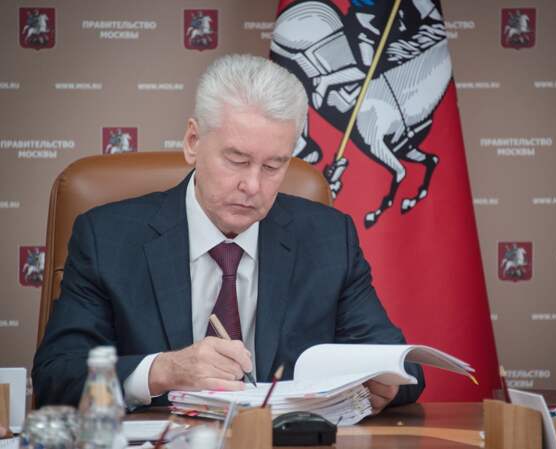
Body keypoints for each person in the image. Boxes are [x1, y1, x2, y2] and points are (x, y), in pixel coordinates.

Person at [33, 54, 424, 412]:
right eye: (237, 160)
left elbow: (404, 369)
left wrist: (385, 383)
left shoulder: (328, 239)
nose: (252, 185)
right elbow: (56, 375)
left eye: (273, 166)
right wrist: (164, 370)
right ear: (193, 142)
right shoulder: (107, 238)